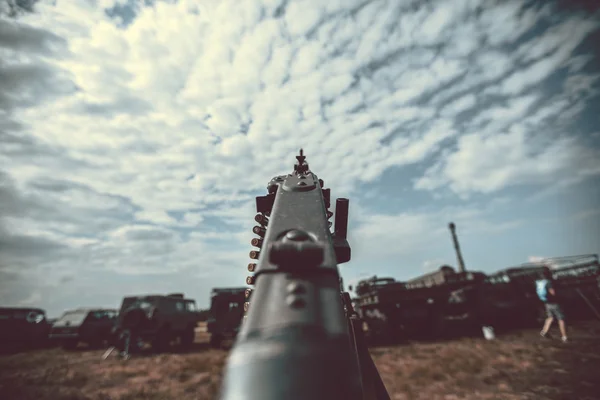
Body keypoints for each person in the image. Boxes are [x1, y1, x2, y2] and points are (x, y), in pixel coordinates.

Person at [536, 266, 568, 343]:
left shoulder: (540, 282)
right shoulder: (549, 282)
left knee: (550, 317)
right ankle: (564, 337)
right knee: (561, 319)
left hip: (547, 303)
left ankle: (544, 332)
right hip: (554, 303)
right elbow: (552, 292)